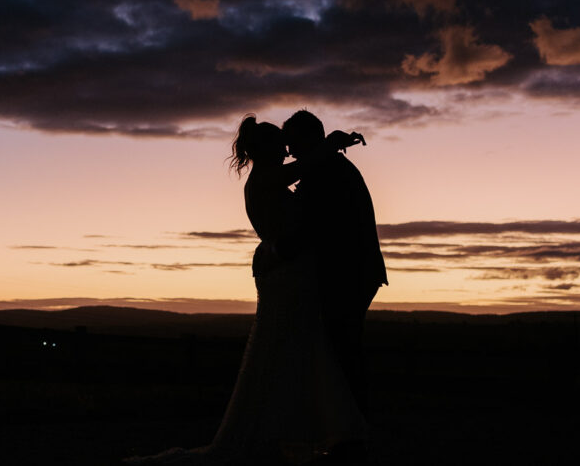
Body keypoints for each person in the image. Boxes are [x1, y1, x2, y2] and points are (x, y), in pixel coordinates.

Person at [124, 115, 367, 465]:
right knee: (293, 347)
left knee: (293, 349)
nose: (287, 150)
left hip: (289, 274)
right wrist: (335, 140)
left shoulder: (264, 180)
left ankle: (288, 430)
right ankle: (295, 432)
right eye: (280, 145)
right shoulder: (268, 178)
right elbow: (309, 164)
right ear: (264, 149)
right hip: (288, 277)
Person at [282, 109, 388, 463]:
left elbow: (319, 226)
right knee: (342, 351)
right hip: (353, 271)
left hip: (348, 273)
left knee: (343, 353)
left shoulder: (325, 171)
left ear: (309, 138)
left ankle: (353, 436)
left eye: (293, 142)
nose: (289, 150)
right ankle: (351, 433)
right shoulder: (327, 166)